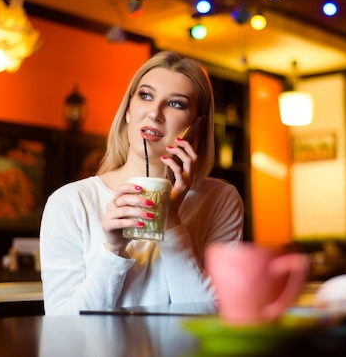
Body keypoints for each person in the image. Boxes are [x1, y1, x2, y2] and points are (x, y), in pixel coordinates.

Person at [40, 51, 244, 315]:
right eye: (145, 96)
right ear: (127, 111)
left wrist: (170, 222)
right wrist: (113, 249)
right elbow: (63, 328)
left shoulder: (221, 199)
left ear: (196, 126)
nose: (154, 113)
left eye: (176, 104)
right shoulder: (70, 202)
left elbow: (213, 319)